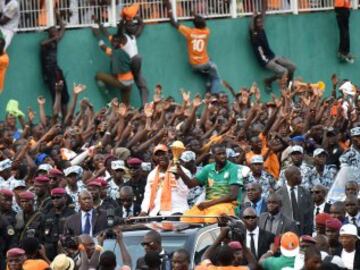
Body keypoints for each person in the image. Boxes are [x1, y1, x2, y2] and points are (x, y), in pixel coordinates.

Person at [179, 144, 243, 223]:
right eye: (219, 154)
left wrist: (208, 204)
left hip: (228, 205)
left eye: (224, 153)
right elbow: (191, 184)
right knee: (185, 218)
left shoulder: (234, 168)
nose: (223, 156)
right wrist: (180, 171)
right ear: (213, 156)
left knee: (210, 219)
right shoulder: (208, 168)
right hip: (210, 204)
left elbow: (232, 196)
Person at [166, 1, 222, 93]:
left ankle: (208, 85)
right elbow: (202, 23)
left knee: (209, 69)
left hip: (193, 64)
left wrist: (169, 7)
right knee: (216, 76)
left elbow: (173, 23)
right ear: (203, 25)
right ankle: (214, 95)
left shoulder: (189, 32)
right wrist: (195, 15)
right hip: (204, 63)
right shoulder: (207, 32)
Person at [249, 0, 296, 91]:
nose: (261, 24)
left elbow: (263, 12)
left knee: (292, 66)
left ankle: (289, 86)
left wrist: (264, 4)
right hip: (264, 60)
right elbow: (251, 27)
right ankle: (268, 81)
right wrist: (253, 17)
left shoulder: (262, 29)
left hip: (272, 56)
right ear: (255, 24)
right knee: (284, 71)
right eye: (258, 23)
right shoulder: (253, 34)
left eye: (261, 22)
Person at [140, 144, 190, 216]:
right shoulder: (152, 174)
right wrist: (144, 210)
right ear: (154, 158)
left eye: (163, 154)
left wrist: (178, 178)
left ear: (169, 154)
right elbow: (148, 194)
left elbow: (185, 193)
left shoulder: (182, 171)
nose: (161, 157)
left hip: (177, 210)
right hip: (157, 212)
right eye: (158, 155)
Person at [93, 29, 134, 106]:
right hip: (130, 82)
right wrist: (100, 25)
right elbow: (109, 36)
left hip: (122, 82)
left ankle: (110, 102)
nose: (113, 42)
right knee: (125, 106)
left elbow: (103, 47)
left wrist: (98, 36)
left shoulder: (115, 52)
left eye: (114, 42)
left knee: (98, 75)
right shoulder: (124, 48)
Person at [40, 13, 69, 116]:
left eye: (56, 31)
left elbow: (63, 28)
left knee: (64, 98)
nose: (56, 33)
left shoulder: (55, 41)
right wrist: (54, 38)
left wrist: (57, 14)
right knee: (55, 97)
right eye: (54, 32)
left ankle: (66, 120)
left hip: (56, 70)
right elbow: (42, 44)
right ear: (50, 34)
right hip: (50, 72)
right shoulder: (46, 43)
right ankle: (56, 121)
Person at [276, 166, 314, 235]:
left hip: (303, 232)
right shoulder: (278, 194)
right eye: (298, 174)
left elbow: (310, 216)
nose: (301, 177)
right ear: (290, 177)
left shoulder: (305, 193)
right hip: (285, 234)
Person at [42, 187, 76, 260]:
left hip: (66, 251)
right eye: (53, 198)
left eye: (58, 197)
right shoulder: (48, 215)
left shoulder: (72, 214)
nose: (55, 200)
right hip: (49, 253)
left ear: (65, 198)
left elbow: (76, 234)